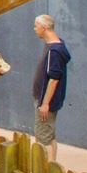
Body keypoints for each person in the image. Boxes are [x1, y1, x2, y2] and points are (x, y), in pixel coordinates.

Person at [30, 13, 69, 161]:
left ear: (43, 27)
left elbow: (54, 79)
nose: (34, 29)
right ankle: (53, 168)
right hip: (44, 99)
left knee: (43, 138)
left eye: (36, 26)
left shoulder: (55, 51)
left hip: (45, 102)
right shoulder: (55, 46)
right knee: (50, 135)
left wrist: (45, 103)